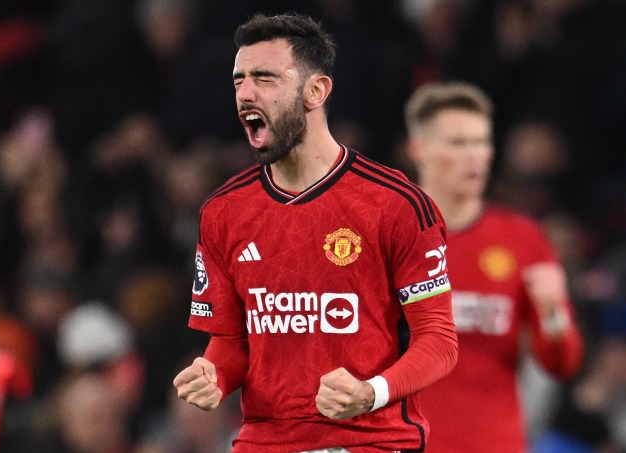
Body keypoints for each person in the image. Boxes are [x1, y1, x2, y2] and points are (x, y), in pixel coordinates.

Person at [173, 12, 458, 453]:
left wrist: (371, 393)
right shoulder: (222, 212)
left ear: (316, 91)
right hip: (265, 443)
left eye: (264, 78)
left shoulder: (395, 204)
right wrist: (214, 373)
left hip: (371, 443)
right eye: (238, 81)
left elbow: (438, 340)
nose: (245, 93)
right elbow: (230, 342)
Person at [404, 81, 585, 452]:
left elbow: (562, 364)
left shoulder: (522, 239)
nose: (475, 156)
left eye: (481, 142)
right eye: (458, 143)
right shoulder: (381, 238)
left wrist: (553, 314)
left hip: (492, 442)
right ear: (418, 150)